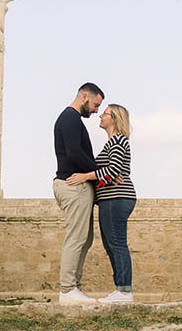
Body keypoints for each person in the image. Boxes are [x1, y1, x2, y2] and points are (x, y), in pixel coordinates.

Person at [66, 103, 135, 304]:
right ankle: (121, 290)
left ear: (114, 118)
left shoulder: (119, 141)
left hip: (117, 198)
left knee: (117, 244)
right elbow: (109, 172)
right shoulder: (112, 142)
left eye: (105, 114)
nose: (100, 117)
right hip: (110, 199)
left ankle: (124, 291)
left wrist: (85, 176)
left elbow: (112, 171)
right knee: (110, 244)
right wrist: (100, 176)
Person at [52, 82, 104, 305]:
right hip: (73, 185)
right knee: (77, 238)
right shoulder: (70, 118)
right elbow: (74, 153)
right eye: (95, 104)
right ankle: (67, 289)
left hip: (76, 185)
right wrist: (99, 173)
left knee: (85, 238)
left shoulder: (72, 119)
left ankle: (74, 288)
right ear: (84, 96)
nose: (96, 111)